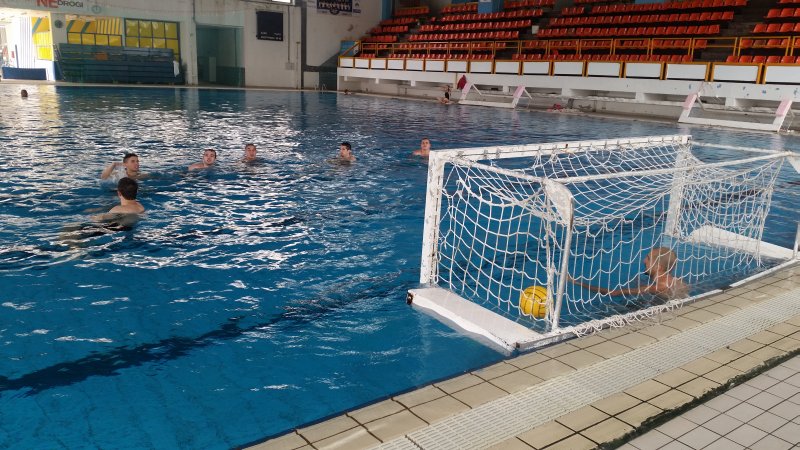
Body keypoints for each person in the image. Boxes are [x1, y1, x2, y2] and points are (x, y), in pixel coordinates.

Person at [569, 247, 689, 301]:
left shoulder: (656, 287)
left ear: (658, 267)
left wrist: (577, 282)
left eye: (648, 258)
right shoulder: (678, 281)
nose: (644, 261)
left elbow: (613, 293)